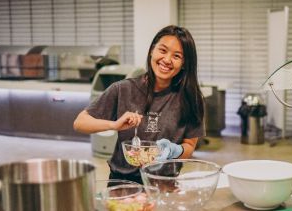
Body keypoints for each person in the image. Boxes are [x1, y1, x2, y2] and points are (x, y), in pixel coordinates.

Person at [73, 25, 205, 184]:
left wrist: (174, 151)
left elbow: (189, 145)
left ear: (184, 63)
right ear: (152, 51)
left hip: (165, 184)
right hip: (123, 182)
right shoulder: (123, 89)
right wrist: (114, 125)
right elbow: (80, 122)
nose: (167, 60)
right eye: (162, 51)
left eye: (177, 56)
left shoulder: (191, 98)